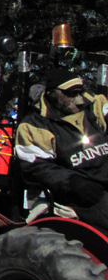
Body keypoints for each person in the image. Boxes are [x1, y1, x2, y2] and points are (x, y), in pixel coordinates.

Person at [16, 69, 108, 233]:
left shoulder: (96, 107)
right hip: (80, 197)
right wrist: (72, 182)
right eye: (72, 94)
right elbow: (36, 167)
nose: (80, 101)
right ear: (53, 94)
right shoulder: (35, 125)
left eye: (81, 92)